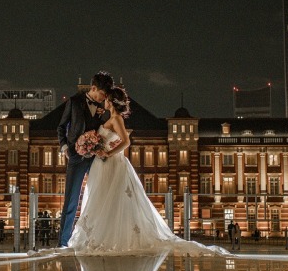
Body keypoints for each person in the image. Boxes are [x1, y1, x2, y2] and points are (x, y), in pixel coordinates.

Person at [67, 86, 229, 256]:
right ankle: (100, 237)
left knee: (111, 200)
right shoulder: (110, 117)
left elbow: (126, 142)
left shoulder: (117, 119)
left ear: (112, 101)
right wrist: (94, 146)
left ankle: (107, 238)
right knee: (103, 200)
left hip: (111, 163)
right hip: (103, 164)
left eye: (106, 99)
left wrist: (107, 152)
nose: (104, 101)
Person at [57, 71, 115, 247]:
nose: (103, 98)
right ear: (93, 88)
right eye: (102, 94)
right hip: (76, 156)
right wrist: (65, 147)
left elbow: (110, 126)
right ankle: (63, 243)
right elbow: (61, 126)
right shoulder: (74, 102)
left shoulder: (103, 107)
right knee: (71, 200)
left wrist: (103, 113)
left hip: (97, 158)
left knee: (99, 198)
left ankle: (98, 240)